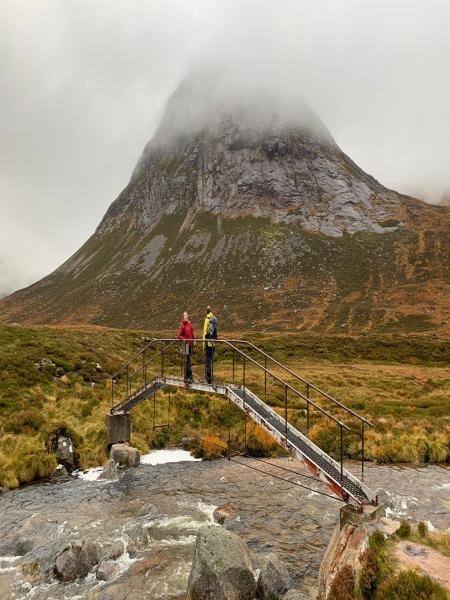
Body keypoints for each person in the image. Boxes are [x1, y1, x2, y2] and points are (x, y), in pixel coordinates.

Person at [178, 311, 195, 382]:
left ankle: (189, 377)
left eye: (187, 315)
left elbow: (192, 332)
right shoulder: (182, 325)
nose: (186, 316)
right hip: (185, 344)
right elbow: (179, 336)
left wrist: (194, 340)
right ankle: (188, 377)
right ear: (183, 317)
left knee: (188, 360)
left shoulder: (189, 323)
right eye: (185, 315)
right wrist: (184, 339)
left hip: (190, 344)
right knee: (187, 361)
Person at [203, 306, 218, 384]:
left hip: (208, 343)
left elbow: (205, 332)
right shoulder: (214, 318)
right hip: (214, 343)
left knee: (207, 361)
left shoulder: (207, 319)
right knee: (210, 360)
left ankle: (208, 379)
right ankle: (210, 378)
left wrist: (203, 345)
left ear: (206, 311)